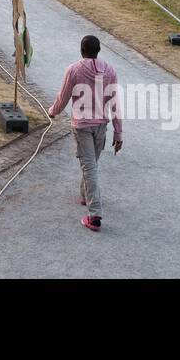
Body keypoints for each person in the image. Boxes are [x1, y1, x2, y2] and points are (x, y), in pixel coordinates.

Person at [48, 34, 123, 232]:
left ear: (82, 51)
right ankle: (85, 195)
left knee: (90, 166)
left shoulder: (73, 70)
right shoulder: (110, 71)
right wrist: (118, 133)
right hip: (101, 126)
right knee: (91, 164)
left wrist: (52, 112)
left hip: (82, 126)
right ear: (98, 51)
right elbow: (115, 104)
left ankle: (95, 215)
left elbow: (63, 97)